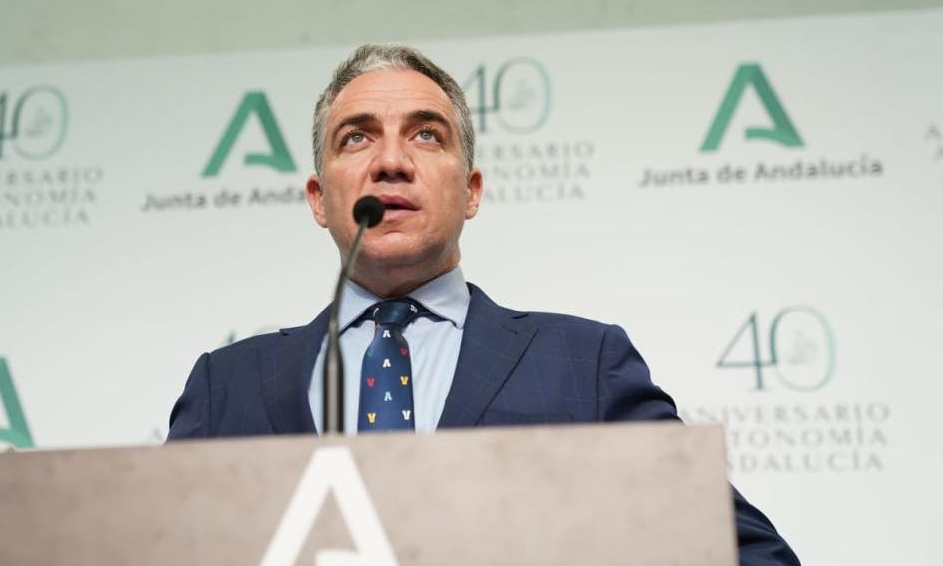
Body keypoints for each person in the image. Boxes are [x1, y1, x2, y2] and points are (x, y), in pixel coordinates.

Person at [167, 44, 799, 565]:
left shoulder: (585, 364)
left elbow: (746, 553)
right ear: (318, 198)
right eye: (357, 139)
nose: (391, 162)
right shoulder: (226, 386)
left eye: (425, 135)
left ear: (471, 191)